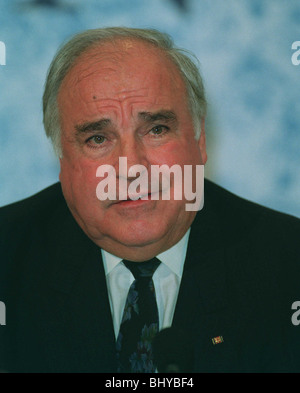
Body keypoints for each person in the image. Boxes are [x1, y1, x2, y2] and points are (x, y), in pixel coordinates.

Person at [0, 27, 299, 373]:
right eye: (98, 138)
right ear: (62, 161)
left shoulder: (290, 266)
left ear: (199, 141)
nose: (131, 168)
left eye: (156, 130)